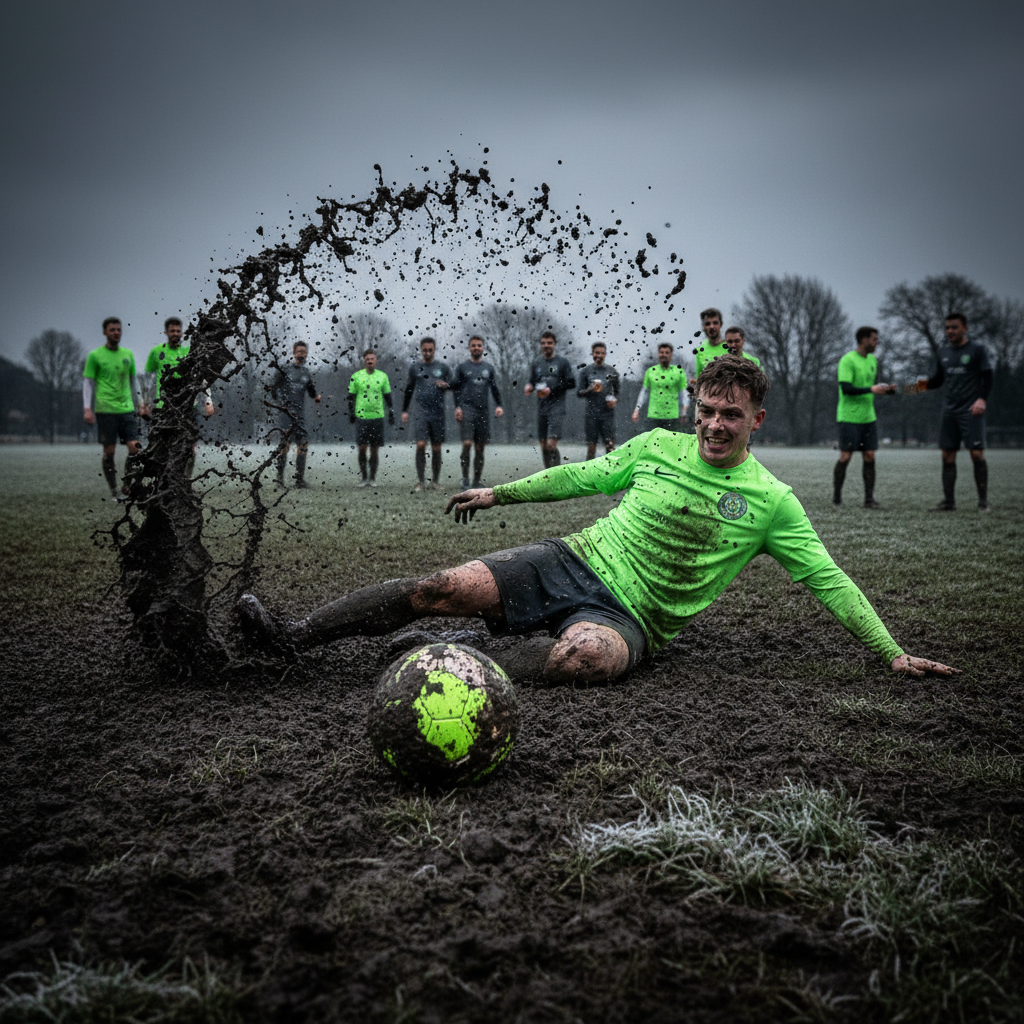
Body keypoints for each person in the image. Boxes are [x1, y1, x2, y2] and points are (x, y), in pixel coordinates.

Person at [238, 355, 956, 685]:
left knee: (586, 661)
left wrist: (889, 650)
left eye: (729, 415)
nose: (712, 424)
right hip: (571, 560)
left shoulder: (772, 502)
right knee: (439, 583)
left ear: (755, 420)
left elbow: (828, 580)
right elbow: (582, 475)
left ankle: (435, 654)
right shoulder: (655, 446)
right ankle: (294, 637)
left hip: (630, 618)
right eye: (705, 410)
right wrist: (500, 495)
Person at [914, 313, 993, 512]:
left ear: (964, 328)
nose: (950, 331)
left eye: (954, 327)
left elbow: (988, 377)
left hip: (971, 410)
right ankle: (949, 502)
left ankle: (983, 501)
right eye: (947, 327)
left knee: (977, 453)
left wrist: (981, 399)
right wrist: (914, 386)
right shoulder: (943, 353)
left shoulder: (977, 350)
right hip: (949, 411)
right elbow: (938, 380)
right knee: (947, 455)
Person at [142, 317, 216, 476]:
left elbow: (202, 377)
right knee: (160, 450)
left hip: (187, 407)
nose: (175, 334)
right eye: (172, 331)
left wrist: (208, 400)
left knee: (190, 450)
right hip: (163, 408)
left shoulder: (189, 352)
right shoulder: (156, 352)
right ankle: (162, 484)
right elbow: (148, 379)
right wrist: (144, 402)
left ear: (182, 332)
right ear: (166, 332)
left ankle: (185, 483)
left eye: (178, 331)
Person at [833, 327, 896, 509]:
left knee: (869, 455)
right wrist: (871, 389)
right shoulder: (847, 360)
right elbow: (846, 388)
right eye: (874, 339)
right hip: (849, 417)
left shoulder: (872, 360)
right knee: (846, 456)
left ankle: (869, 499)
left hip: (868, 417)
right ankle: (837, 497)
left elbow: (871, 387)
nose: (877, 343)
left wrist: (885, 390)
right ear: (863, 340)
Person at [82, 317, 143, 502]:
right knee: (110, 452)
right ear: (105, 332)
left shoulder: (128, 354)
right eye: (112, 330)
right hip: (106, 410)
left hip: (127, 408)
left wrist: (141, 402)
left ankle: (127, 485)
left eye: (118, 329)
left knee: (135, 448)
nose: (116, 332)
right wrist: (87, 408)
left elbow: (134, 381)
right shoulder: (95, 356)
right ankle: (114, 490)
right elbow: (88, 382)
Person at [401, 337, 453, 491]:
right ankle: (421, 482)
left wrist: (446, 385)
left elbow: (454, 385)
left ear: (434, 350)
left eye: (430, 350)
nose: (428, 353)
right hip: (421, 411)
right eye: (425, 350)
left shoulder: (443, 368)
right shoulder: (415, 368)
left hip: (438, 411)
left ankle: (435, 482)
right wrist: (405, 410)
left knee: (436, 446)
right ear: (421, 350)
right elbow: (409, 389)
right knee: (421, 444)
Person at [452, 335, 503, 489]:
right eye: (473, 345)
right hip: (467, 408)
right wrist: (458, 407)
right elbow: (456, 389)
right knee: (467, 443)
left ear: (483, 348)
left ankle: (476, 481)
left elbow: (494, 388)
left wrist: (499, 405)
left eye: (479, 345)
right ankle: (465, 479)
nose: (476, 348)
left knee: (480, 447)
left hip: (484, 411)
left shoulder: (489, 368)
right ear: (469, 348)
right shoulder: (462, 368)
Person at [270, 341, 321, 489]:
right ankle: (279, 480)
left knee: (303, 445)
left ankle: (299, 480)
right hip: (286, 415)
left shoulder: (306, 373)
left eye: (304, 352)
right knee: (284, 446)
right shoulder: (285, 370)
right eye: (299, 351)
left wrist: (316, 397)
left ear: (307, 354)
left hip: (300, 416)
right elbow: (273, 388)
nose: (301, 354)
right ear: (294, 353)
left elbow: (311, 392)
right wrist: (280, 402)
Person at [524, 331, 575, 469]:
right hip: (542, 408)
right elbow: (532, 381)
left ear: (555, 344)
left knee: (551, 444)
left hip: (557, 408)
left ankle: (556, 475)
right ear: (540, 344)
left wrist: (552, 389)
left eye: (549, 343)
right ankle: (547, 475)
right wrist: (529, 386)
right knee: (543, 445)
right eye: (544, 343)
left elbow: (571, 383)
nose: (546, 346)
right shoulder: (537, 363)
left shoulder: (562, 362)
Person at [348, 349, 393, 488]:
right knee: (362, 448)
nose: (370, 361)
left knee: (374, 449)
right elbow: (351, 397)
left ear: (376, 360)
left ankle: (372, 478)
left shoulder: (383, 377)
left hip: (377, 416)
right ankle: (364, 478)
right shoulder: (356, 376)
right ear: (364, 360)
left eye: (372, 358)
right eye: (367, 358)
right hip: (362, 417)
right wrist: (351, 413)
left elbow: (388, 396)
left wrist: (391, 412)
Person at [577, 342, 620, 459]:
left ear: (605, 354)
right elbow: (579, 393)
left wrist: (614, 400)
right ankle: (588, 476)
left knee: (610, 446)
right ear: (592, 354)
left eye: (602, 353)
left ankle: (611, 475)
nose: (599, 355)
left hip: (607, 415)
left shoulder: (612, 372)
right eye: (597, 353)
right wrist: (589, 389)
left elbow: (617, 392)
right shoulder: (585, 371)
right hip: (591, 415)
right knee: (591, 448)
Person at [633, 342, 689, 431]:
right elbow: (644, 392)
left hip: (672, 415)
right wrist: (637, 409)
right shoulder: (651, 371)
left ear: (671, 354)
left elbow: (683, 393)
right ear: (658, 354)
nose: (664, 355)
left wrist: (683, 412)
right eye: (661, 352)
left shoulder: (678, 371)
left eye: (667, 353)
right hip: (653, 415)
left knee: (671, 443)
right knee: (653, 443)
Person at [692, 308, 728, 379]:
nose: (711, 327)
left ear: (721, 324)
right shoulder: (700, 351)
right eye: (708, 324)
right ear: (703, 327)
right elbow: (699, 379)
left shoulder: (731, 346)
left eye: (715, 323)